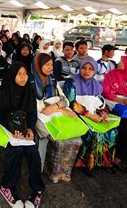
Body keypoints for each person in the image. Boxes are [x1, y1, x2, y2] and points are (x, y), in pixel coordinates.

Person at [0, 62, 45, 208]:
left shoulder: (28, 90)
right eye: (19, 74)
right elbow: (0, 115)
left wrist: (30, 128)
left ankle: (37, 189)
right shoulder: (3, 91)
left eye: (25, 73)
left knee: (32, 151)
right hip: (6, 127)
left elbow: (32, 112)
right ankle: (7, 186)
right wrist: (12, 130)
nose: (23, 77)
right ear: (12, 75)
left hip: (23, 129)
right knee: (16, 150)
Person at [32, 53, 81, 183]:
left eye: (51, 65)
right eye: (46, 65)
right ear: (38, 65)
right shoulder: (31, 80)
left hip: (56, 113)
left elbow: (64, 98)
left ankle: (62, 171)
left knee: (75, 140)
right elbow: (35, 105)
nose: (50, 68)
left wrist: (57, 107)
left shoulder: (52, 79)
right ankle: (51, 168)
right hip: (39, 116)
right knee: (57, 139)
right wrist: (57, 107)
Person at [70, 58, 118, 176]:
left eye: (91, 69)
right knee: (93, 132)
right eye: (84, 68)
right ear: (79, 68)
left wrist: (103, 113)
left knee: (112, 131)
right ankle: (85, 162)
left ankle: (104, 161)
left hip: (93, 116)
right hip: (77, 116)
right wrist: (89, 115)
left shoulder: (96, 85)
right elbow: (72, 104)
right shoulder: (72, 83)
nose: (87, 71)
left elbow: (99, 103)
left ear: (95, 71)